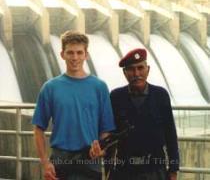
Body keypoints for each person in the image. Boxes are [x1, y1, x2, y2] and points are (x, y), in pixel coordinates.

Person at [32, 30, 115, 180]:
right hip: (60, 160)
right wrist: (45, 163)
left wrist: (101, 150)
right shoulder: (50, 87)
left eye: (79, 52)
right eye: (70, 53)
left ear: (86, 55)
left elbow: (106, 129)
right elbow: (38, 128)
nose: (75, 58)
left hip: (90, 160)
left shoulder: (99, 87)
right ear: (62, 54)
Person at [110, 48, 179, 180]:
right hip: (124, 171)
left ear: (148, 69)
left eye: (140, 68)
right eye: (131, 69)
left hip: (155, 171)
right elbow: (111, 136)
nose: (136, 73)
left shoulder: (161, 95)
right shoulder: (116, 97)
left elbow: (170, 134)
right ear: (124, 73)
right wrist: (109, 170)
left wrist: (173, 170)